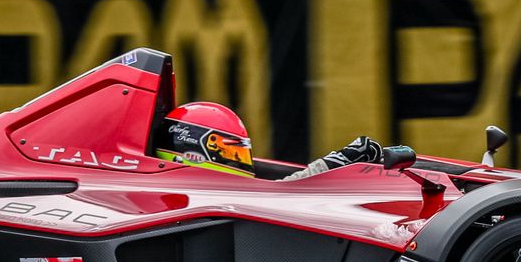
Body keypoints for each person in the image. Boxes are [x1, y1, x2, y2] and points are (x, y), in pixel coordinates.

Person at [153, 103, 386, 179]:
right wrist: (340, 160)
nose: (239, 160)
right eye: (230, 151)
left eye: (240, 153)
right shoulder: (196, 197)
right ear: (194, 150)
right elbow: (282, 196)